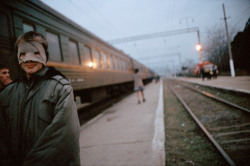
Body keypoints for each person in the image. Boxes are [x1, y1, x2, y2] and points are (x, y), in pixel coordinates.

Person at [0, 31, 80, 166]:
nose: (29, 59)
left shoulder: (60, 88)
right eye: (23, 54)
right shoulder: (7, 93)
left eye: (36, 53)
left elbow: (64, 136)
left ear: (45, 55)